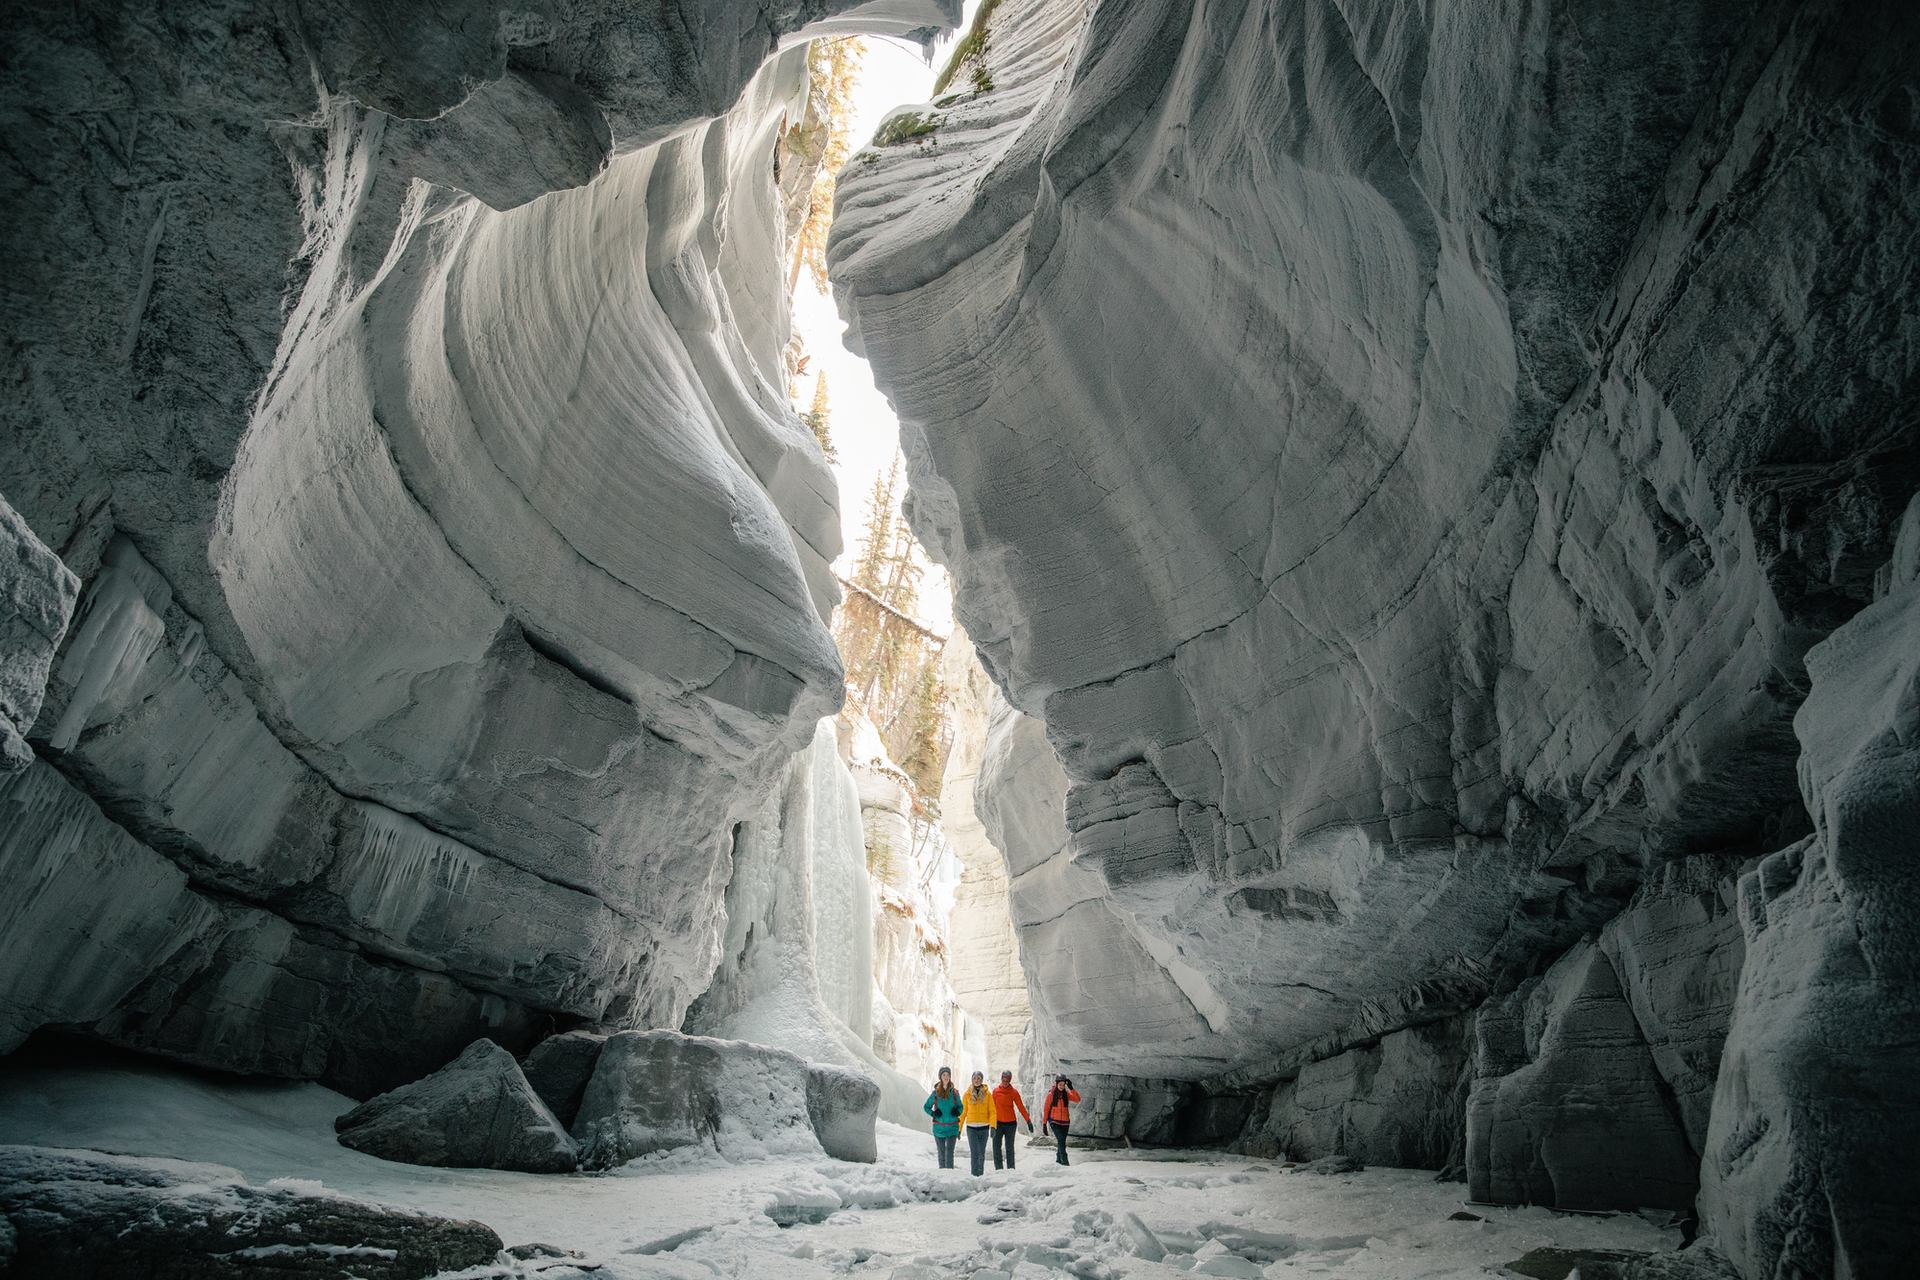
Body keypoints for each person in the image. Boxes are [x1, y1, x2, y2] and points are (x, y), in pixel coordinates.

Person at [990, 1070, 1033, 1170]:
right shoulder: (996, 1092)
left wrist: (1028, 1121)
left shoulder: (1014, 1092)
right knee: (996, 1147)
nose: (1005, 1082)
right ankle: (999, 1169)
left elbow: (1021, 1107)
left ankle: (1011, 1169)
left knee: (1009, 1148)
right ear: (1001, 1079)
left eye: (1007, 1080)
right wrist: (991, 1125)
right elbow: (991, 1109)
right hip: (998, 1124)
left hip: (1010, 1125)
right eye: (1003, 1080)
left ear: (1010, 1080)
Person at [923, 1067, 962, 1168]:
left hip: (952, 1128)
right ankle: (942, 1176)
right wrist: (933, 1113)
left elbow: (961, 1107)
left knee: (949, 1154)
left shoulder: (954, 1093)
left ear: (950, 1077)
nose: (946, 1077)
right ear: (940, 1077)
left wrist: (957, 1111)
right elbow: (926, 1107)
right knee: (941, 1154)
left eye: (948, 1075)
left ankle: (950, 1176)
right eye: (944, 1075)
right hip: (939, 1129)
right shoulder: (935, 1093)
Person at [960, 1070, 997, 1176]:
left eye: (979, 1078)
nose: (976, 1080)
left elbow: (992, 1112)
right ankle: (974, 1175)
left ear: (981, 1080)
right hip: (971, 1128)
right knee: (974, 1153)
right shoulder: (967, 1094)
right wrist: (959, 1128)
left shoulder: (987, 1095)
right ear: (972, 1080)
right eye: (975, 1078)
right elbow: (963, 1113)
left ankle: (980, 1175)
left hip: (984, 1128)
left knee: (981, 1153)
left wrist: (993, 1126)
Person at [1044, 1075, 1080, 1166]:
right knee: (1061, 1140)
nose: (1061, 1086)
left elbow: (1077, 1099)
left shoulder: (1066, 1094)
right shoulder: (1051, 1095)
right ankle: (1065, 1161)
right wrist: (1044, 1124)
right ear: (1056, 1084)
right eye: (1060, 1084)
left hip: (1065, 1123)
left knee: (1062, 1141)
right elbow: (1046, 1109)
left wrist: (1071, 1088)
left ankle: (1058, 1161)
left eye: (1063, 1085)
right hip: (1054, 1122)